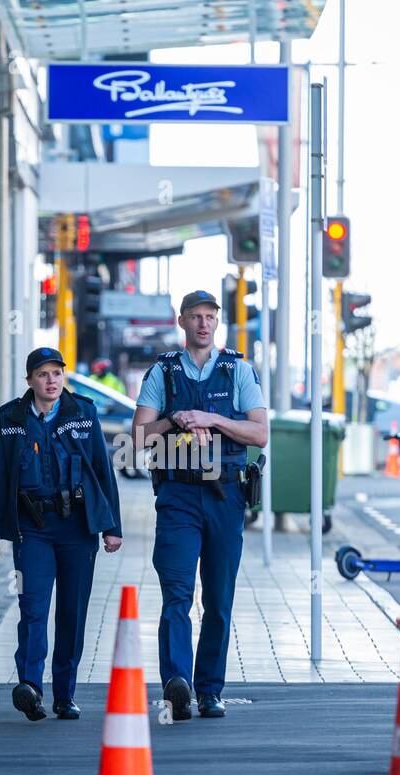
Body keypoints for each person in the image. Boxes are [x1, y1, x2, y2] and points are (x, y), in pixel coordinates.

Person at [131, 290, 268, 720]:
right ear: (182, 321)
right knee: (177, 593)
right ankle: (178, 685)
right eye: (196, 317)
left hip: (226, 496)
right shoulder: (164, 372)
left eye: (210, 317)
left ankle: (210, 690)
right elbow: (137, 438)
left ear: (217, 321)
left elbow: (260, 433)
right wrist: (174, 419)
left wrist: (211, 419)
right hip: (178, 496)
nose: (204, 324)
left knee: (219, 598)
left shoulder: (237, 370)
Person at [0, 347, 123, 722]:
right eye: (43, 374)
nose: (51, 381)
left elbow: (101, 472)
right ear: (30, 380)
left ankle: (65, 694)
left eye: (57, 373)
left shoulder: (83, 413)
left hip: (77, 530)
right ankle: (30, 687)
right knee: (32, 608)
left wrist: (112, 527)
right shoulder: (11, 418)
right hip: (33, 531)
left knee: (72, 614)